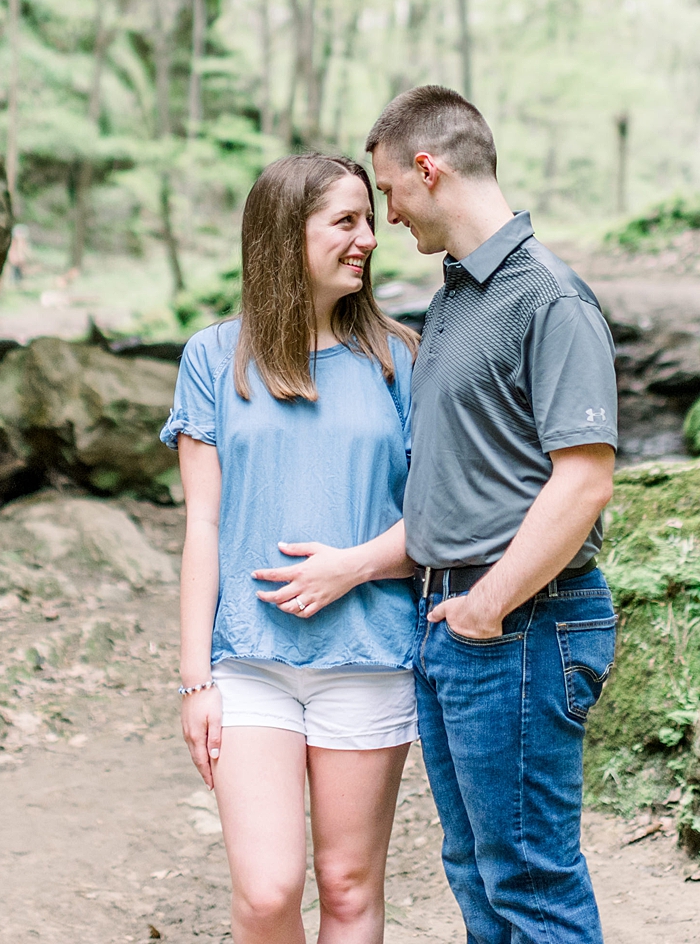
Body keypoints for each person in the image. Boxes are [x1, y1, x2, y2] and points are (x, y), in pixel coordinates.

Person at [365, 85, 619, 944]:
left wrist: (489, 603)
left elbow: (583, 482)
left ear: (426, 168)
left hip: (519, 625)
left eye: (388, 192)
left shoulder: (549, 298)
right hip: (456, 623)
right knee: (476, 870)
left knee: (530, 884)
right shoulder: (455, 300)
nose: (386, 217)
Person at [162, 153, 423, 944]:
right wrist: (193, 679)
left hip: (369, 657)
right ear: (285, 235)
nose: (368, 238)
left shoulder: (400, 358)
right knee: (269, 892)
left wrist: (352, 566)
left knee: (347, 890)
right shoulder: (213, 358)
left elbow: (439, 526)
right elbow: (201, 524)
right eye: (345, 221)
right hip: (248, 664)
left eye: (369, 220)